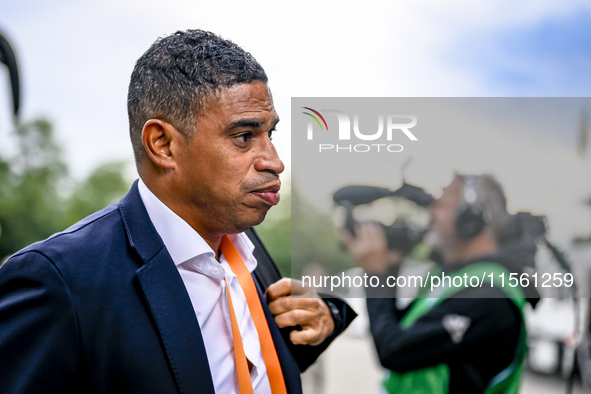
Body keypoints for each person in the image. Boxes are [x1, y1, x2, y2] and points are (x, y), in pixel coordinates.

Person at [0, 29, 355, 394]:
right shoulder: (59, 279)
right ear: (163, 144)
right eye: (244, 137)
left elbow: (248, 367)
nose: (275, 162)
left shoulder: (246, 246)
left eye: (270, 134)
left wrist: (326, 318)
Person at [342, 174, 531, 394]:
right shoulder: (450, 277)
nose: (430, 212)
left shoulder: (489, 295)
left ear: (470, 220)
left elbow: (394, 350)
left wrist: (375, 274)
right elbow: (401, 329)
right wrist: (391, 268)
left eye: (441, 206)